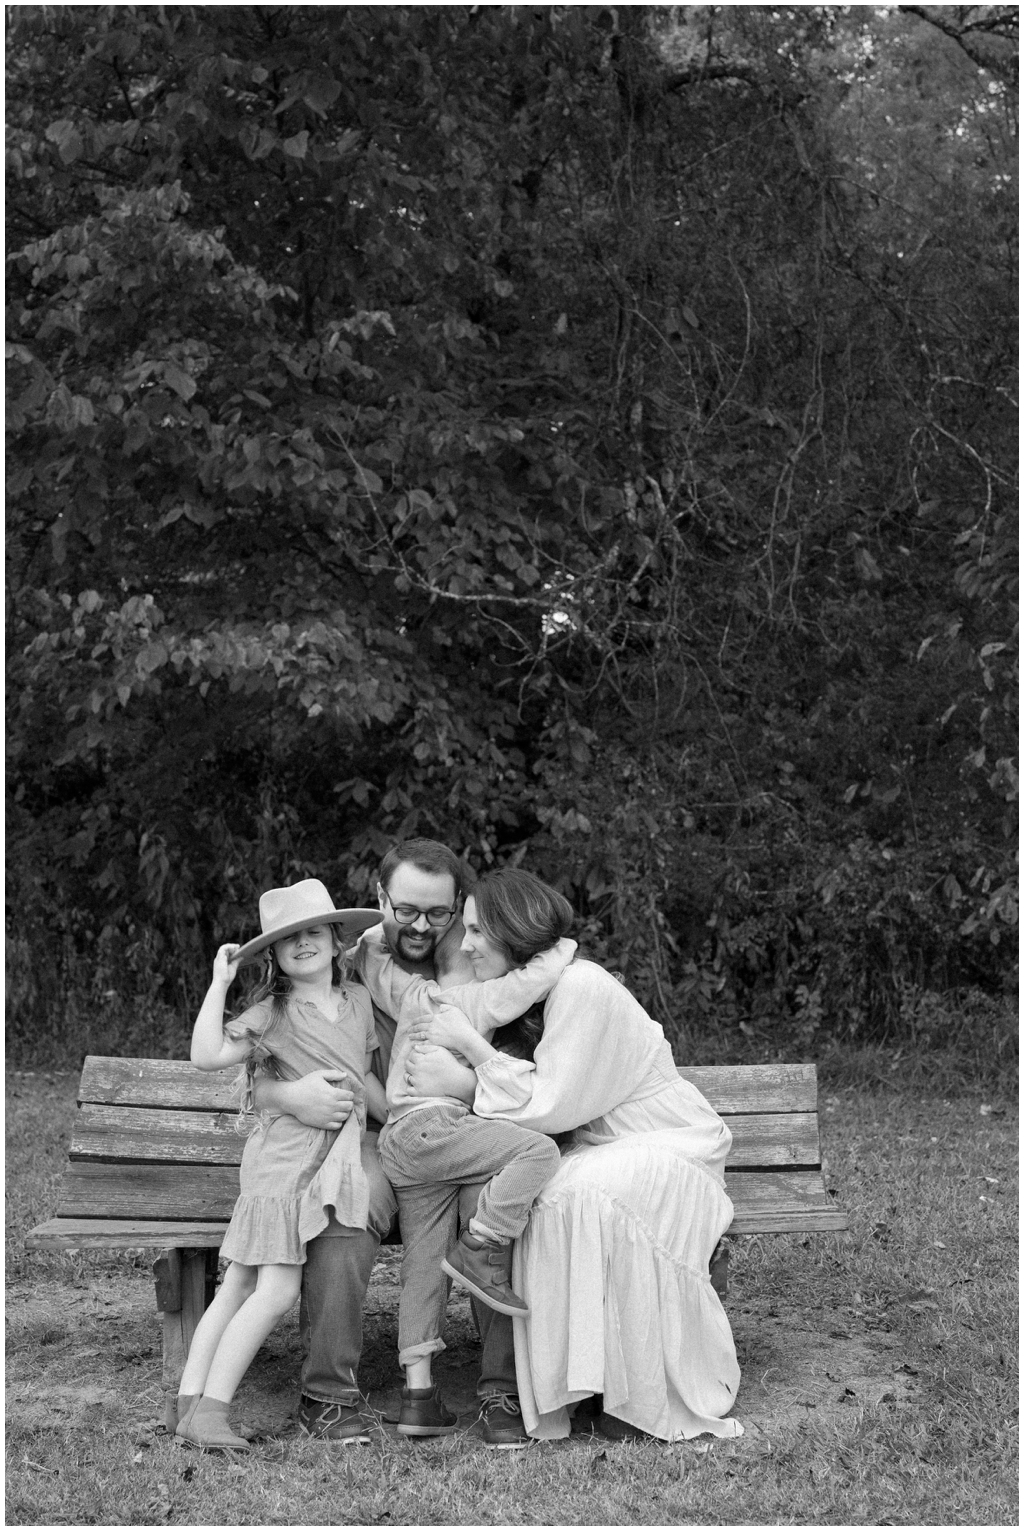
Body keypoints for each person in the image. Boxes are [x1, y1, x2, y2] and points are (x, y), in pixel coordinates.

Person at [404, 867, 745, 1444]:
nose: (465, 946)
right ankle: (593, 1383)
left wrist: (465, 1060)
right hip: (604, 1146)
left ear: (513, 930)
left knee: (572, 1194)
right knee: (551, 1196)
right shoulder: (536, 989)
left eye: (478, 932)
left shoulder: (583, 986)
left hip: (670, 1145)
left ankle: (637, 1392)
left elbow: (551, 1106)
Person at [251, 840, 533, 1450]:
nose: (421, 926)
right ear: (381, 899)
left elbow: (528, 1070)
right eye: (406, 910)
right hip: (371, 1137)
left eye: (438, 912)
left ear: (459, 905)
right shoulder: (344, 963)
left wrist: (465, 1082)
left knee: (490, 1202)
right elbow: (260, 1063)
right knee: (346, 1203)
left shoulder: (487, 960)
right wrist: (289, 1096)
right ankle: (327, 1396)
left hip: (464, 1130)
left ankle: (503, 1390)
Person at [174, 880, 385, 1450]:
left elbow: (362, 1078)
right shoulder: (275, 1012)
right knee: (273, 1289)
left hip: (319, 1165)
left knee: (240, 1282)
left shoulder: (360, 1002)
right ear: (273, 955)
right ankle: (212, 1413)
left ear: (337, 940)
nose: (303, 943)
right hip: (284, 1169)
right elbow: (206, 1057)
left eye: (314, 930)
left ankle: (188, 1403)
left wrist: (403, 1111)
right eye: (288, 939)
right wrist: (220, 985)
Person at [355, 919, 575, 1437]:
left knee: (424, 1263)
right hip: (436, 1128)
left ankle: (418, 1396)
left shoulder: (411, 993)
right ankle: (482, 1245)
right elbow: (528, 984)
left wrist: (367, 941)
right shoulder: (468, 1001)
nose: (480, 956)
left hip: (400, 1141)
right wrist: (561, 948)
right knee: (538, 1152)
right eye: (472, 952)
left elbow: (374, 962)